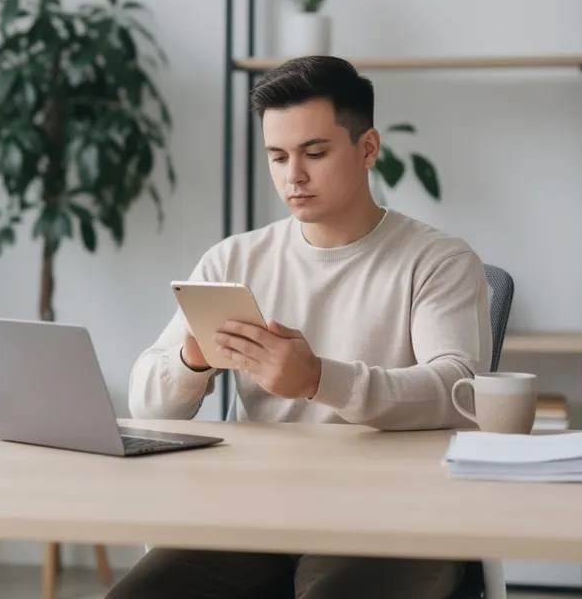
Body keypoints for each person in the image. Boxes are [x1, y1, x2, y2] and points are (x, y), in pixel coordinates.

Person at [108, 55, 491, 599]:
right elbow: (149, 407)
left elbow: (459, 390)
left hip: (395, 512)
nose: (294, 176)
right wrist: (190, 363)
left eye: (314, 153)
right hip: (256, 510)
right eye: (278, 156)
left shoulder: (437, 261)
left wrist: (318, 380)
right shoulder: (234, 260)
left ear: (367, 149)